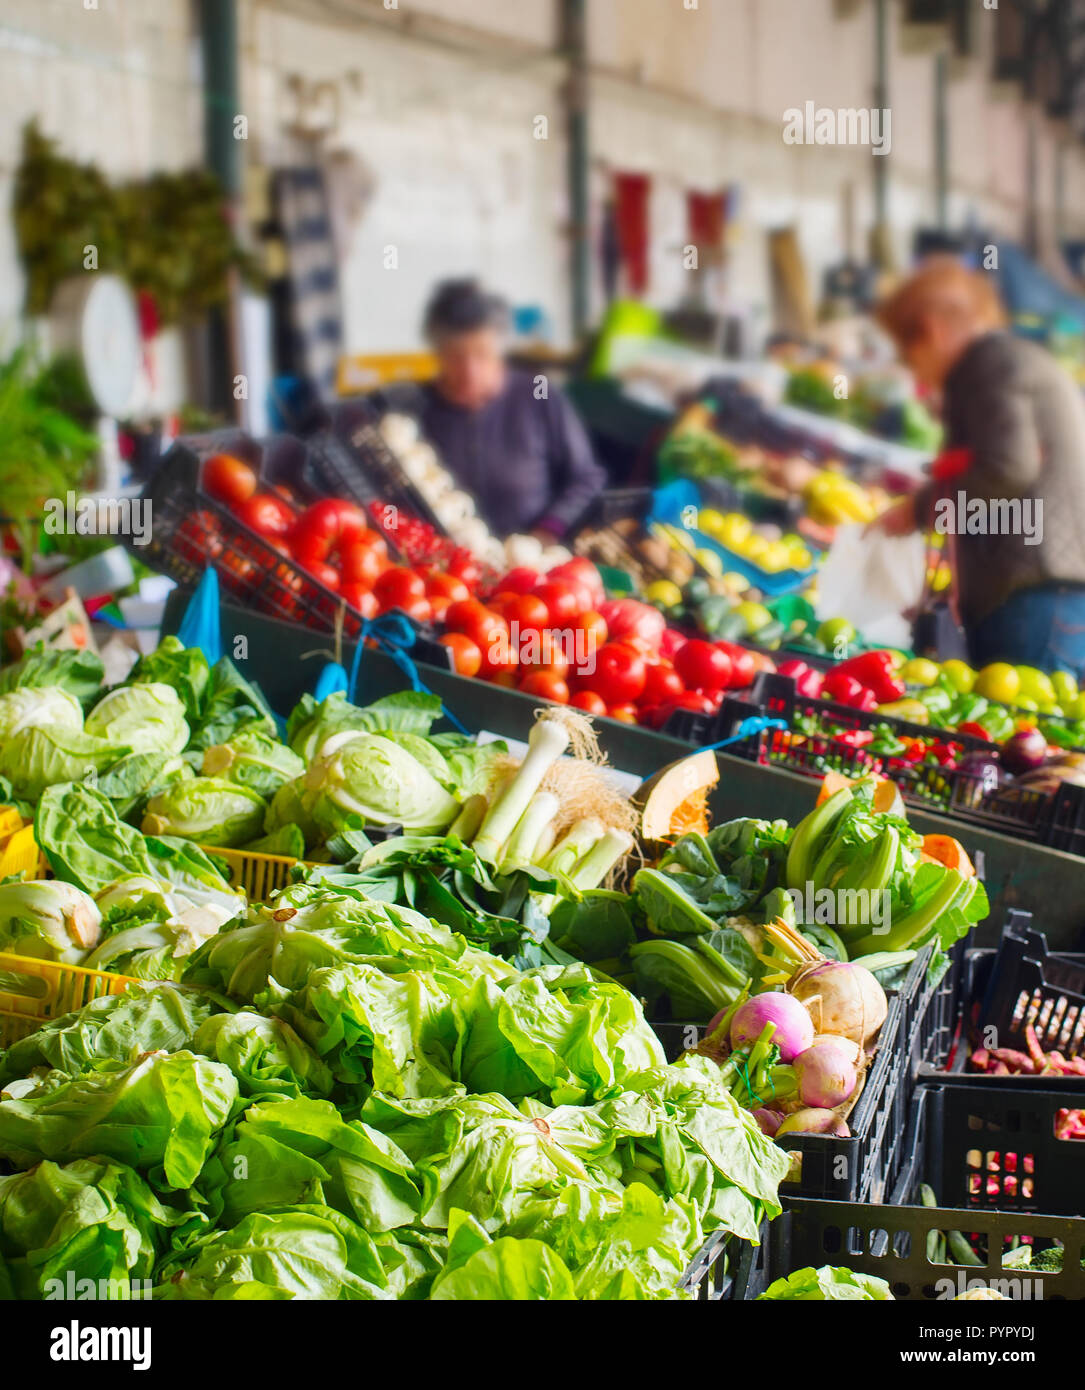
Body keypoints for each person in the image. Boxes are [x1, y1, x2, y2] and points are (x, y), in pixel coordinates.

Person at [870, 256, 1085, 675]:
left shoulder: (988, 366)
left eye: (910, 357)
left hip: (1034, 595)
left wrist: (918, 511)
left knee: (1023, 730)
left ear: (929, 331)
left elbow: (1007, 468)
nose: (919, 374)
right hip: (1053, 592)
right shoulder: (1013, 360)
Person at [406, 279, 606, 541]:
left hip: (531, 559)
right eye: (455, 356)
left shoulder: (538, 394)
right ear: (437, 352)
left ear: (500, 349)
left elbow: (586, 477)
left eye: (482, 353)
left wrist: (550, 529)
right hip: (443, 566)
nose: (470, 371)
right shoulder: (415, 409)